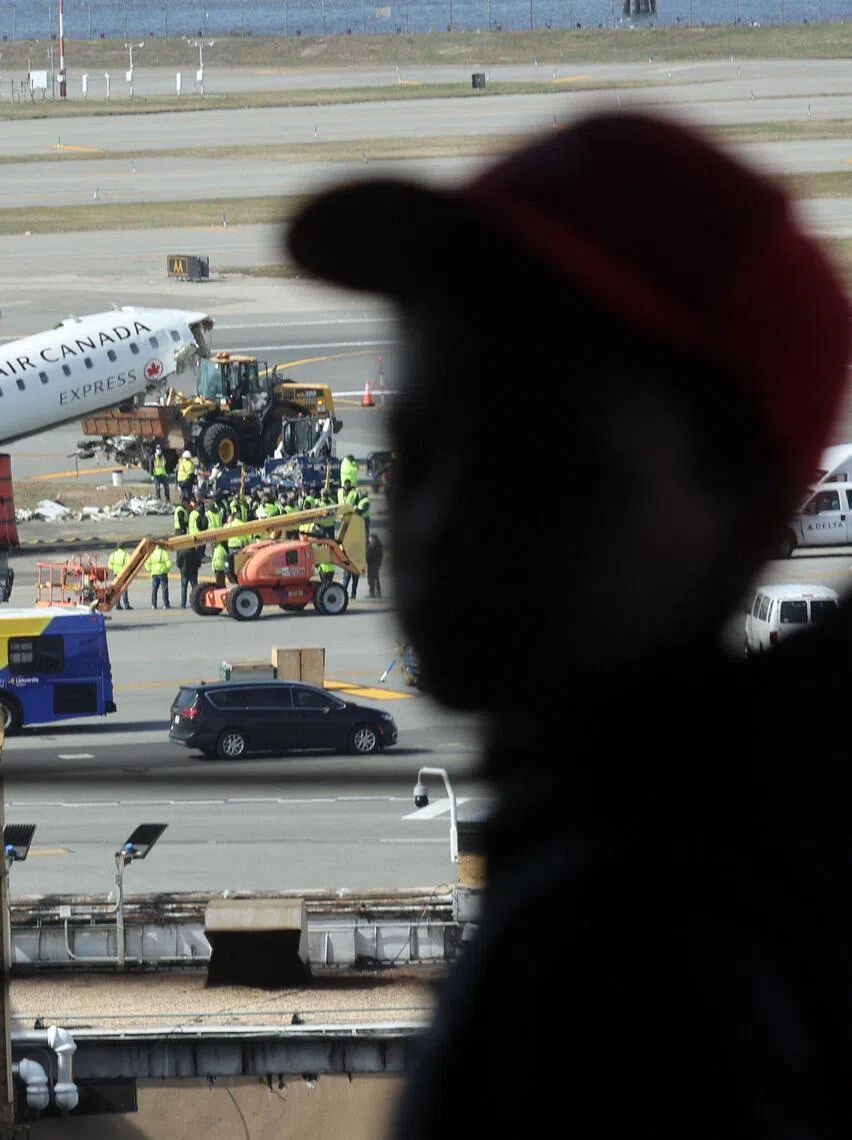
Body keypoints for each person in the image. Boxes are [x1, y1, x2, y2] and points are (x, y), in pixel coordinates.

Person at [287, 113, 852, 1138]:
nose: (443, 520)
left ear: (752, 503)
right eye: (419, 451)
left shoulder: (635, 955)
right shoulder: (743, 831)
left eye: (540, 462)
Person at [106, 541, 134, 610]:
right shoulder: (126, 554)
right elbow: (130, 564)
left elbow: (110, 564)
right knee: (124, 589)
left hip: (116, 574)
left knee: (116, 590)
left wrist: (113, 569)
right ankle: (126, 605)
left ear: (117, 547)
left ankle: (117, 605)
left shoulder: (113, 555)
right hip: (123, 573)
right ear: (123, 547)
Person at [144, 544, 171, 609]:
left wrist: (150, 570)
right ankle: (166, 605)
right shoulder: (164, 553)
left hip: (154, 574)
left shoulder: (151, 553)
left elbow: (147, 564)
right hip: (162, 573)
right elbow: (168, 563)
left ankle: (154, 605)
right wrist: (167, 569)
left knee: (154, 589)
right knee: (164, 589)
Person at [366, 532, 383, 599]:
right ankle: (372, 592)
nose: (370, 540)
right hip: (371, 564)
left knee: (374, 578)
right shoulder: (371, 545)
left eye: (371, 539)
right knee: (371, 579)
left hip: (374, 564)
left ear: (374, 539)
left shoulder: (377, 546)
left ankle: (376, 593)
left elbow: (375, 556)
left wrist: (368, 557)